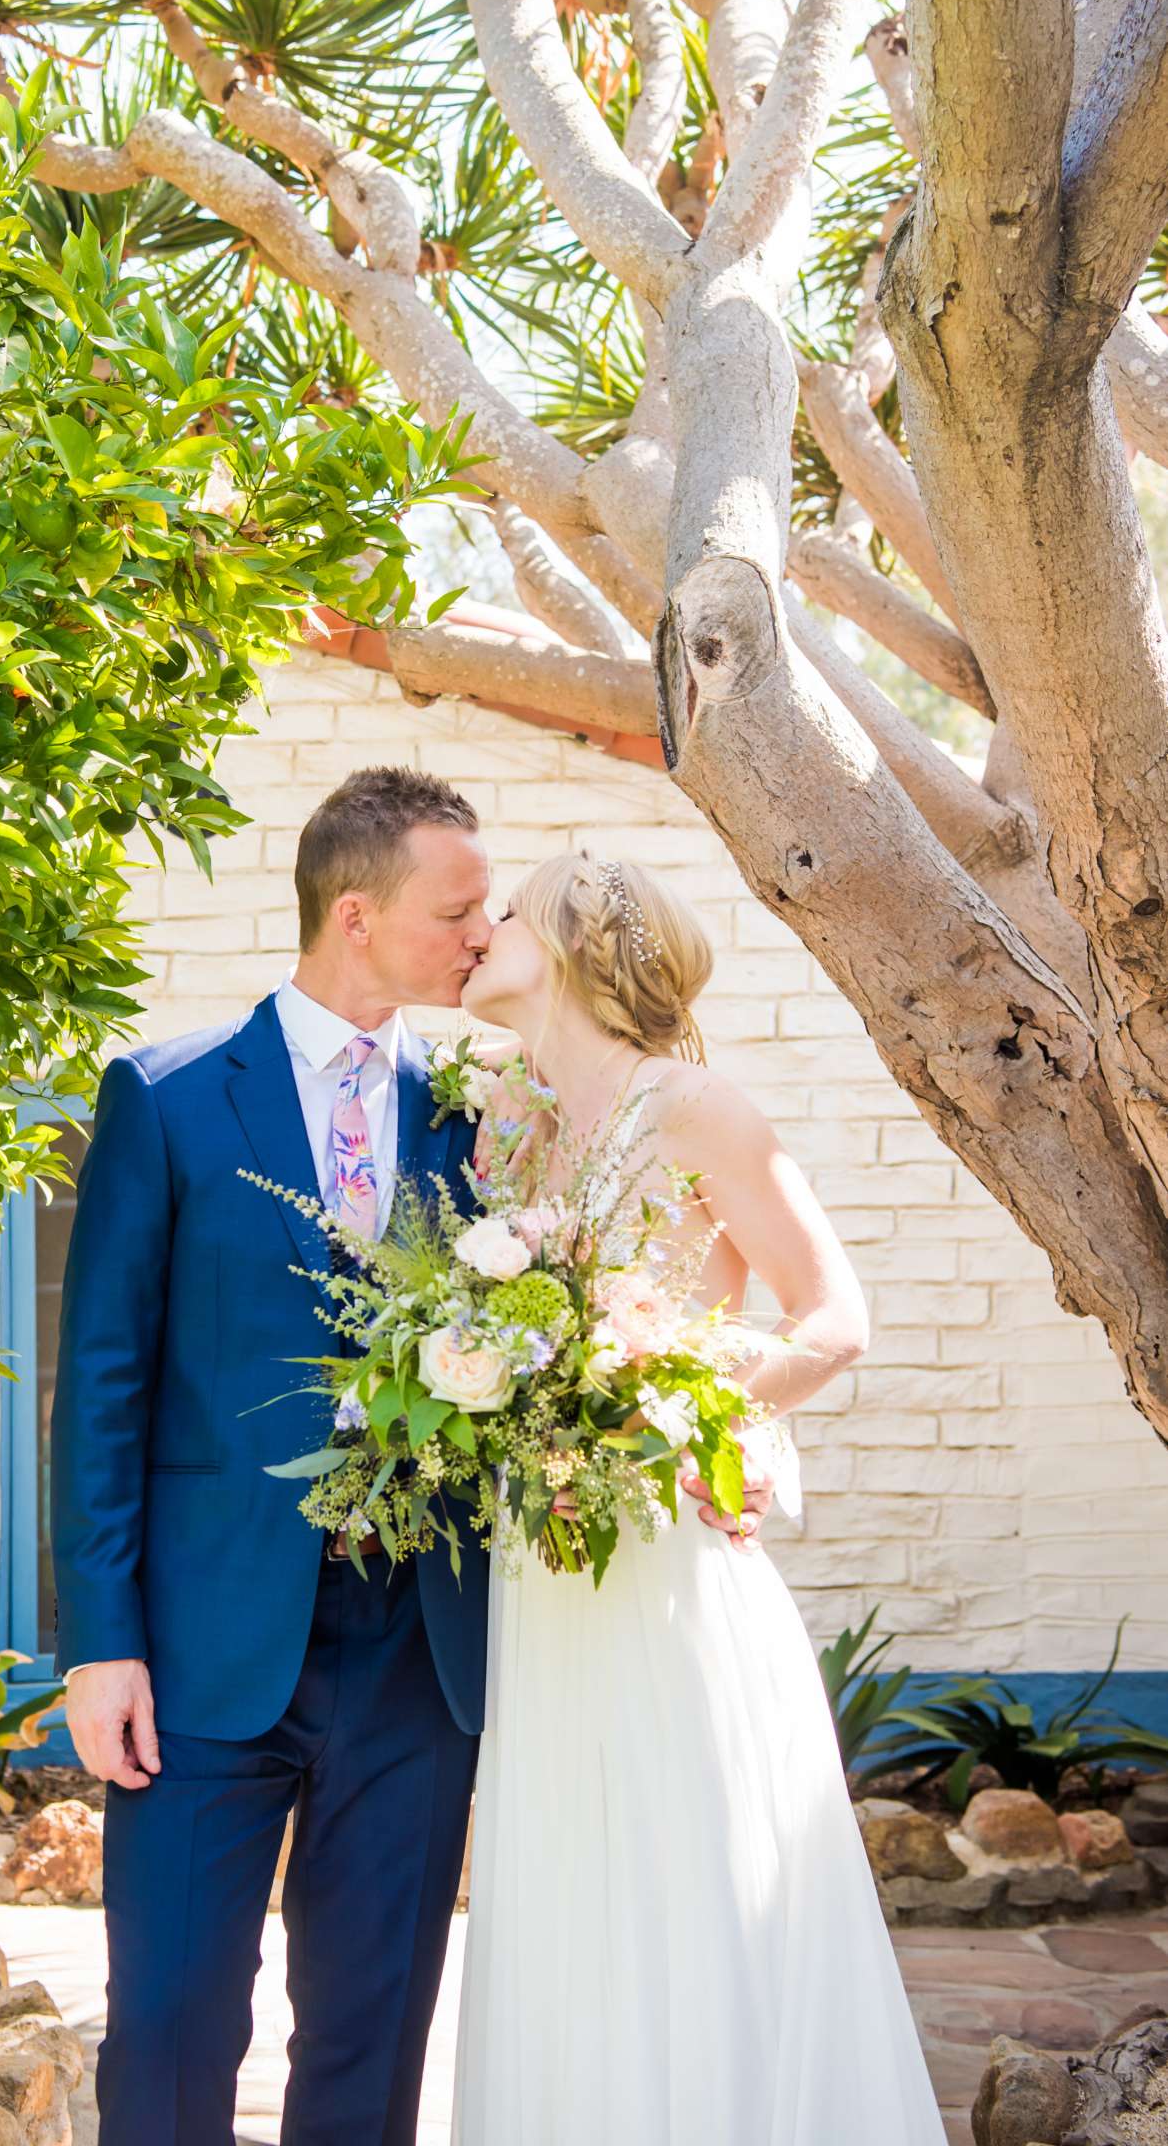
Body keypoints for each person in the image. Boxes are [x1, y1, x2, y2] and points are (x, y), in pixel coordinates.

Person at [451, 848, 947, 2144]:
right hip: (536, 1557)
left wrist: (706, 1421)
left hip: (663, 1551)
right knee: (565, 1879)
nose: (475, 930)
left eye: (498, 913)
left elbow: (834, 1319)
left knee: (684, 1868)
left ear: (561, 941)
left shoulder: (695, 1109)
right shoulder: (506, 1121)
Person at [49, 765, 495, 2145]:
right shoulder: (167, 1097)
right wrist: (99, 1643)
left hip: (415, 1652)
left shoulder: (480, 1115)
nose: (483, 936)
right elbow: (102, 1390)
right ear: (354, 914)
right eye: (458, 910)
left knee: (372, 2037)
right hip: (199, 1653)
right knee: (175, 2025)